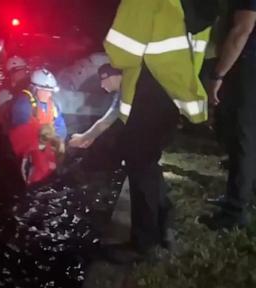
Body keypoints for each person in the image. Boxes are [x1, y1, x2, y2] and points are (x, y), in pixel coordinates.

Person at [100, 0, 212, 264]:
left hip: (147, 92)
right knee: (149, 160)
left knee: (140, 165)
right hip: (173, 93)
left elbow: (121, 52)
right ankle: (162, 222)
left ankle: (143, 243)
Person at [200, 0, 256, 230]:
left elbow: (242, 29)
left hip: (247, 66)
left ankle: (235, 211)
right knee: (248, 136)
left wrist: (218, 75)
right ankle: (241, 195)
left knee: (242, 137)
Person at [7, 69, 67, 185]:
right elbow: (19, 132)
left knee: (53, 166)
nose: (49, 94)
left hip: (46, 143)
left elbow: (61, 127)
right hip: (30, 146)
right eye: (45, 91)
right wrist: (37, 146)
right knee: (40, 168)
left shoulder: (53, 105)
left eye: (51, 91)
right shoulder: (23, 104)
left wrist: (57, 144)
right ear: (34, 89)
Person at [69, 63, 121, 150]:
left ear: (109, 76)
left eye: (102, 80)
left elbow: (105, 122)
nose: (102, 85)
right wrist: (91, 136)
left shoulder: (125, 93)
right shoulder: (121, 93)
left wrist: (83, 138)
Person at [0, 56, 30, 126]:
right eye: (19, 71)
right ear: (11, 74)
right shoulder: (4, 93)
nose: (23, 74)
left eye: (24, 70)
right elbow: (2, 119)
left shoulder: (29, 87)